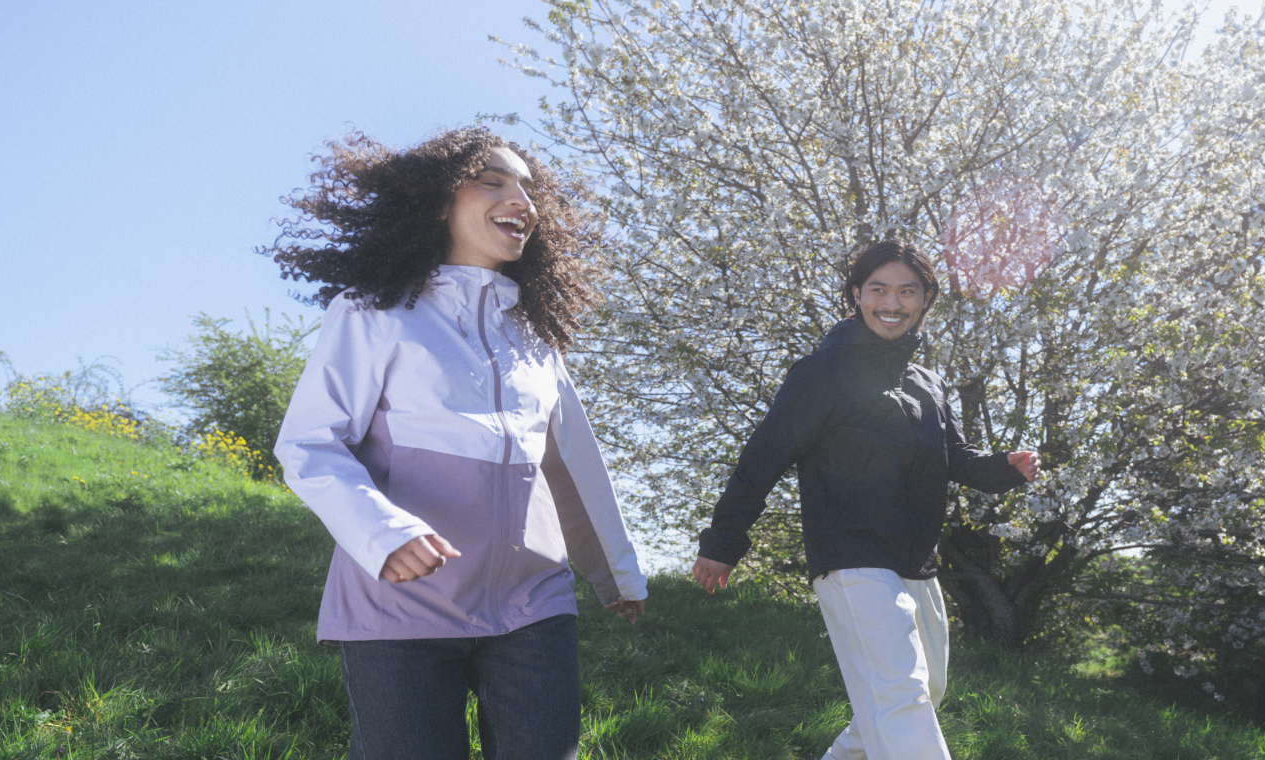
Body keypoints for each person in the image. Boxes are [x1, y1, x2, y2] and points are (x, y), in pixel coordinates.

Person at [268, 125, 647, 760]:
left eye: (528, 187)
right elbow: (310, 443)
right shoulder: (374, 312)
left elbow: (570, 460)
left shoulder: (534, 336)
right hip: (400, 598)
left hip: (533, 600)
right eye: (494, 182)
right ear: (442, 201)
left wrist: (615, 572)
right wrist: (385, 533)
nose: (521, 199)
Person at [691, 241, 1040, 760]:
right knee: (901, 694)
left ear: (925, 301)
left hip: (915, 559)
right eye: (878, 289)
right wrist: (723, 540)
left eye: (907, 291)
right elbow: (761, 459)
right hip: (850, 556)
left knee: (923, 692)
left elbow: (954, 456)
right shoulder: (822, 373)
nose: (891, 302)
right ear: (857, 294)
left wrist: (1001, 468)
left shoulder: (928, 384)